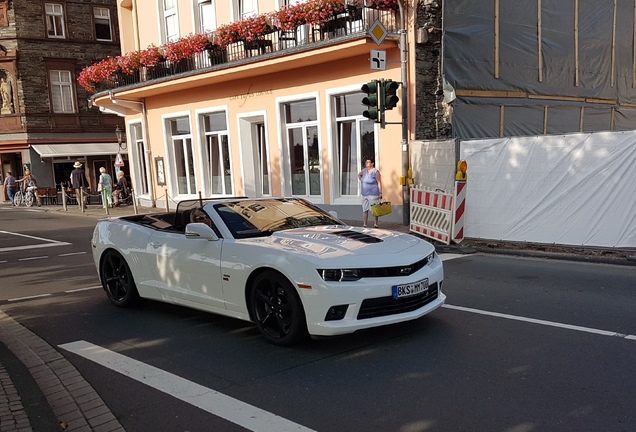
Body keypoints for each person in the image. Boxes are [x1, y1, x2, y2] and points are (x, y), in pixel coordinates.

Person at [358, 157, 382, 228]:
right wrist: (361, 179)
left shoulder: (375, 172)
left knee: (374, 209)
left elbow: (379, 182)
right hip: (364, 193)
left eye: (368, 162)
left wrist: (380, 192)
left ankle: (375, 223)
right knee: (365, 209)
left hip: (373, 193)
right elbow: (359, 174)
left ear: (372, 163)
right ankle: (365, 223)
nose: (367, 164)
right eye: (366, 162)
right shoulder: (364, 170)